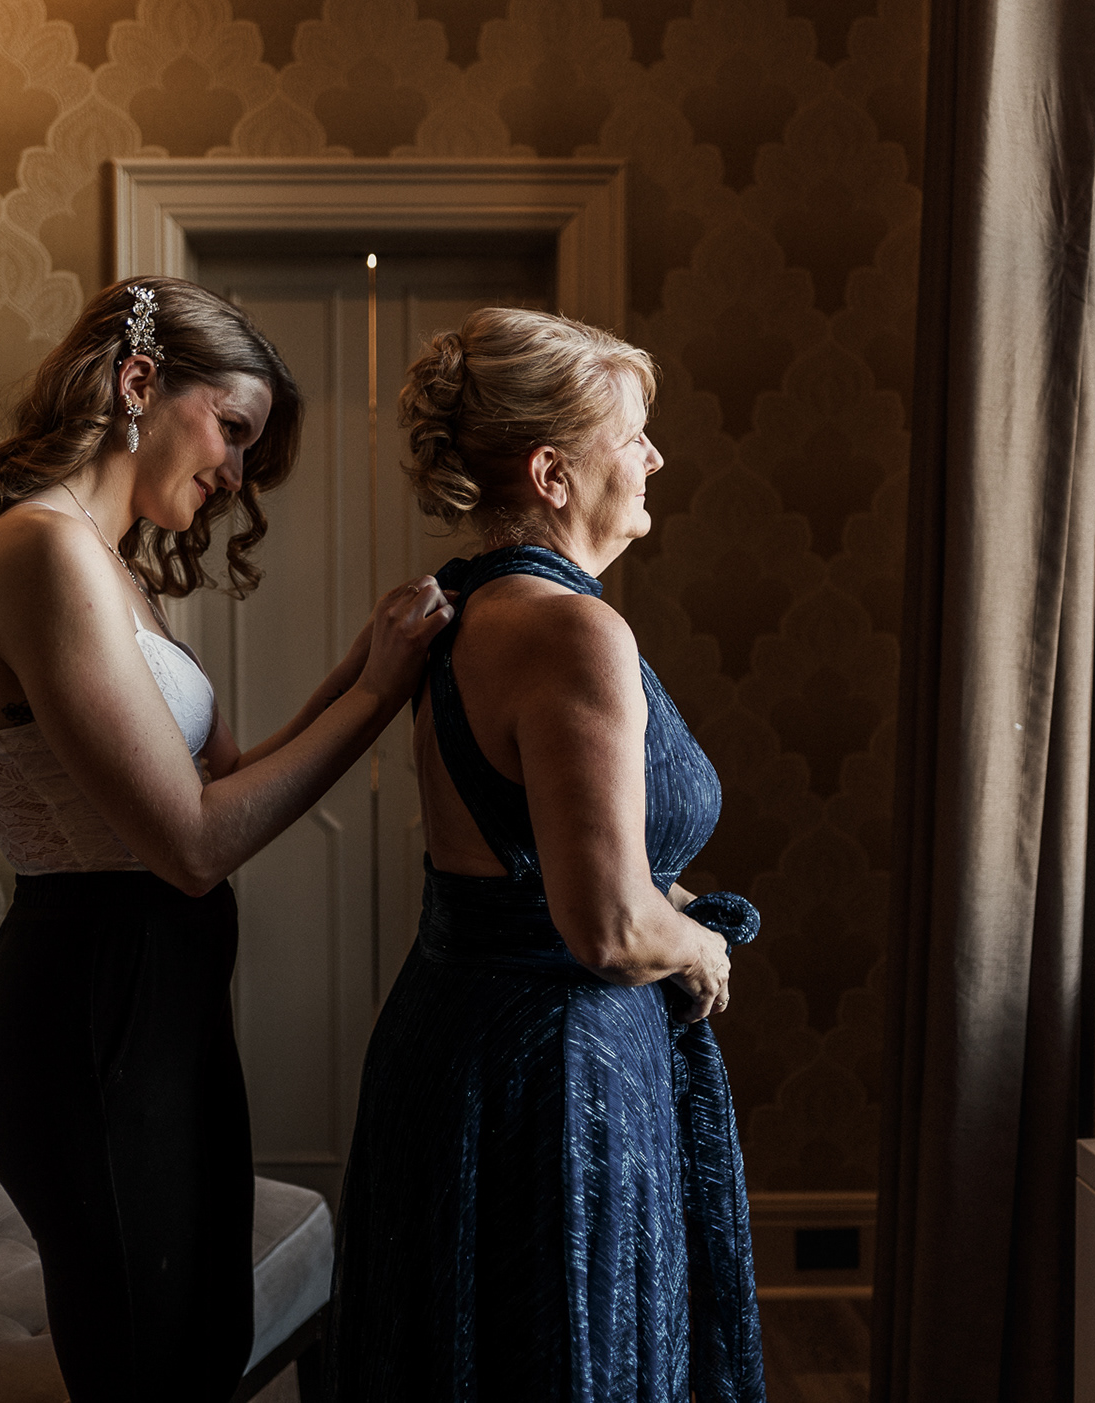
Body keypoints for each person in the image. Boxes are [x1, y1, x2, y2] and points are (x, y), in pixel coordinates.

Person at [0, 277, 453, 1402]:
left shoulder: (108, 566)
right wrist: (378, 696)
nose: (237, 473)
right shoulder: (44, 553)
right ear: (141, 381)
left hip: (159, 1009)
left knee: (200, 1349)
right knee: (149, 1369)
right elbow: (193, 844)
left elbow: (225, 780)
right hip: (88, 1012)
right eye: (232, 428)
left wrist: (363, 664)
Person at [328, 307, 767, 1401]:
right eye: (634, 438)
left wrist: (663, 895)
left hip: (454, 1044)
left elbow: (542, 847)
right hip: (555, 1075)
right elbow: (606, 926)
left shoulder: (457, 606)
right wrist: (700, 944)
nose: (655, 458)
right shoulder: (574, 631)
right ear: (552, 472)